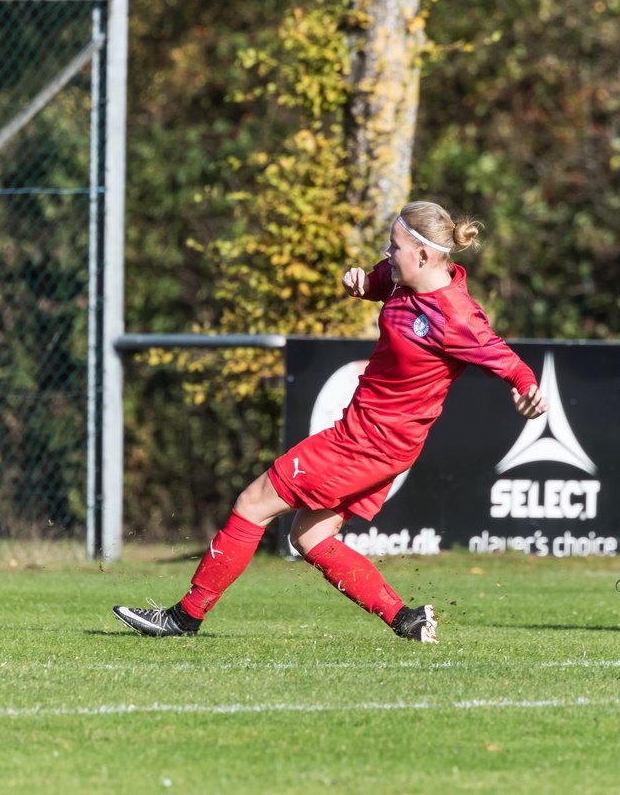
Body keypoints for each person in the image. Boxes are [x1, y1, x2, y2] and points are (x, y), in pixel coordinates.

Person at [113, 201, 548, 642]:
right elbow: (379, 280)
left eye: (393, 246)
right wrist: (359, 282)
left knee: (253, 502)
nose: (386, 252)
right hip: (375, 442)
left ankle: (185, 617)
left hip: (368, 443)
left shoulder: (456, 315)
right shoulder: (402, 279)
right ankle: (408, 619)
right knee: (310, 535)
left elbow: (508, 361)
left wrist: (527, 390)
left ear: (423, 255)